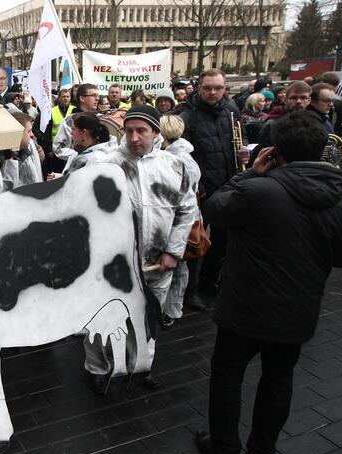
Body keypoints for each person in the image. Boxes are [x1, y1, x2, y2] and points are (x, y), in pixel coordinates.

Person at [195, 111, 342, 454]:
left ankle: (224, 448)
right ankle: (263, 451)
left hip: (244, 308)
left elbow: (213, 210)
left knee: (227, 375)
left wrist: (248, 174)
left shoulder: (257, 189)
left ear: (274, 151)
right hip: (299, 308)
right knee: (278, 379)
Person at [85, 105, 197, 393]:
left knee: (147, 317)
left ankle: (140, 363)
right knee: (102, 316)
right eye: (129, 130)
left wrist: (173, 251)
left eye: (141, 131)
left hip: (157, 264)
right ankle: (98, 367)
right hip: (113, 264)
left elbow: (187, 210)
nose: (134, 137)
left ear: (155, 133)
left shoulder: (174, 165)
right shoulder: (105, 164)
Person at [179, 69, 243, 295]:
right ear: (199, 88)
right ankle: (191, 290)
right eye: (207, 88)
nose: (213, 92)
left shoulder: (232, 111)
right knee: (197, 240)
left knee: (222, 239)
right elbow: (183, 159)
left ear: (225, 88)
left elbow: (237, 142)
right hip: (202, 190)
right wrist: (199, 188)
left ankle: (210, 281)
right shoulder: (187, 117)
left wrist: (242, 156)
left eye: (218, 88)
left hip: (229, 183)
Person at [159, 115, 201, 328]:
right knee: (179, 266)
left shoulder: (174, 159)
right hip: (184, 218)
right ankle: (173, 309)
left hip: (177, 219)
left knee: (175, 267)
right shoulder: (184, 155)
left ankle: (170, 310)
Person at [250, 81, 313, 164]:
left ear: (309, 100)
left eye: (303, 98)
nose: (298, 101)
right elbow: (262, 156)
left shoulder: (312, 122)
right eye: (294, 97)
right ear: (286, 100)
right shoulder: (272, 124)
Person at [52, 84, 100, 170]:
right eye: (93, 95)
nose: (97, 98)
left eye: (97, 95)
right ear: (82, 98)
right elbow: (58, 148)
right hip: (77, 170)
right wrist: (82, 156)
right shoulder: (71, 120)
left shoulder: (101, 118)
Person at [2, 112, 44, 190]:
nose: (32, 135)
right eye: (29, 131)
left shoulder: (29, 145)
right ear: (18, 133)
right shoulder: (4, 159)